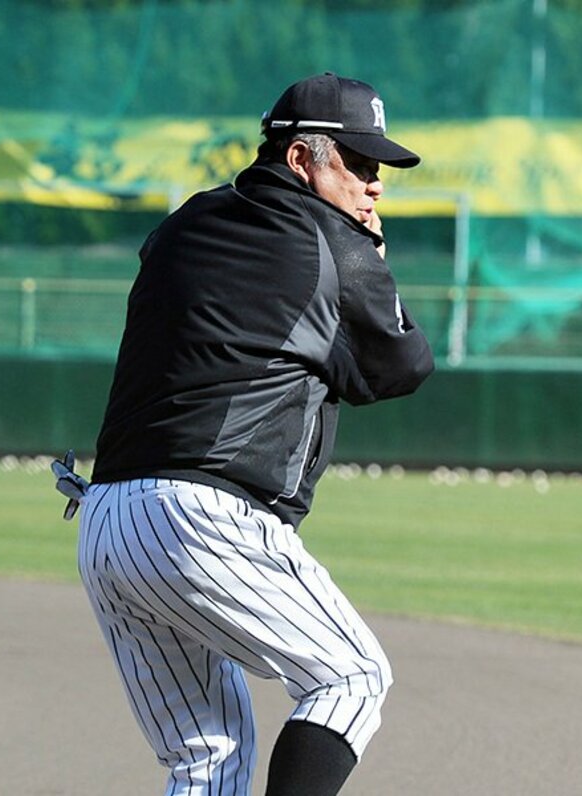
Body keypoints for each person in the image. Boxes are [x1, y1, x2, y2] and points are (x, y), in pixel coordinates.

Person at [53, 73, 434, 795]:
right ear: (300, 160)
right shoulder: (333, 241)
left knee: (206, 758)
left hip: (106, 522)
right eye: (357, 163)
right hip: (202, 520)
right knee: (352, 677)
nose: (374, 184)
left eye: (378, 169)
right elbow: (402, 365)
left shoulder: (182, 224)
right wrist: (374, 262)